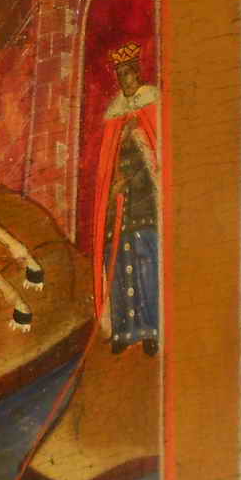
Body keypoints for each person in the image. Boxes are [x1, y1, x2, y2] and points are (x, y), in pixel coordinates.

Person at [90, 42, 161, 355]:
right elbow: (109, 164)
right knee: (119, 263)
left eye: (128, 73)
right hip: (119, 209)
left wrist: (131, 179)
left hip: (145, 204)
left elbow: (157, 160)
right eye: (119, 75)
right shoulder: (115, 115)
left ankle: (151, 329)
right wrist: (112, 188)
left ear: (137, 73)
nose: (124, 80)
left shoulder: (152, 105)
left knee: (146, 263)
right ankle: (125, 331)